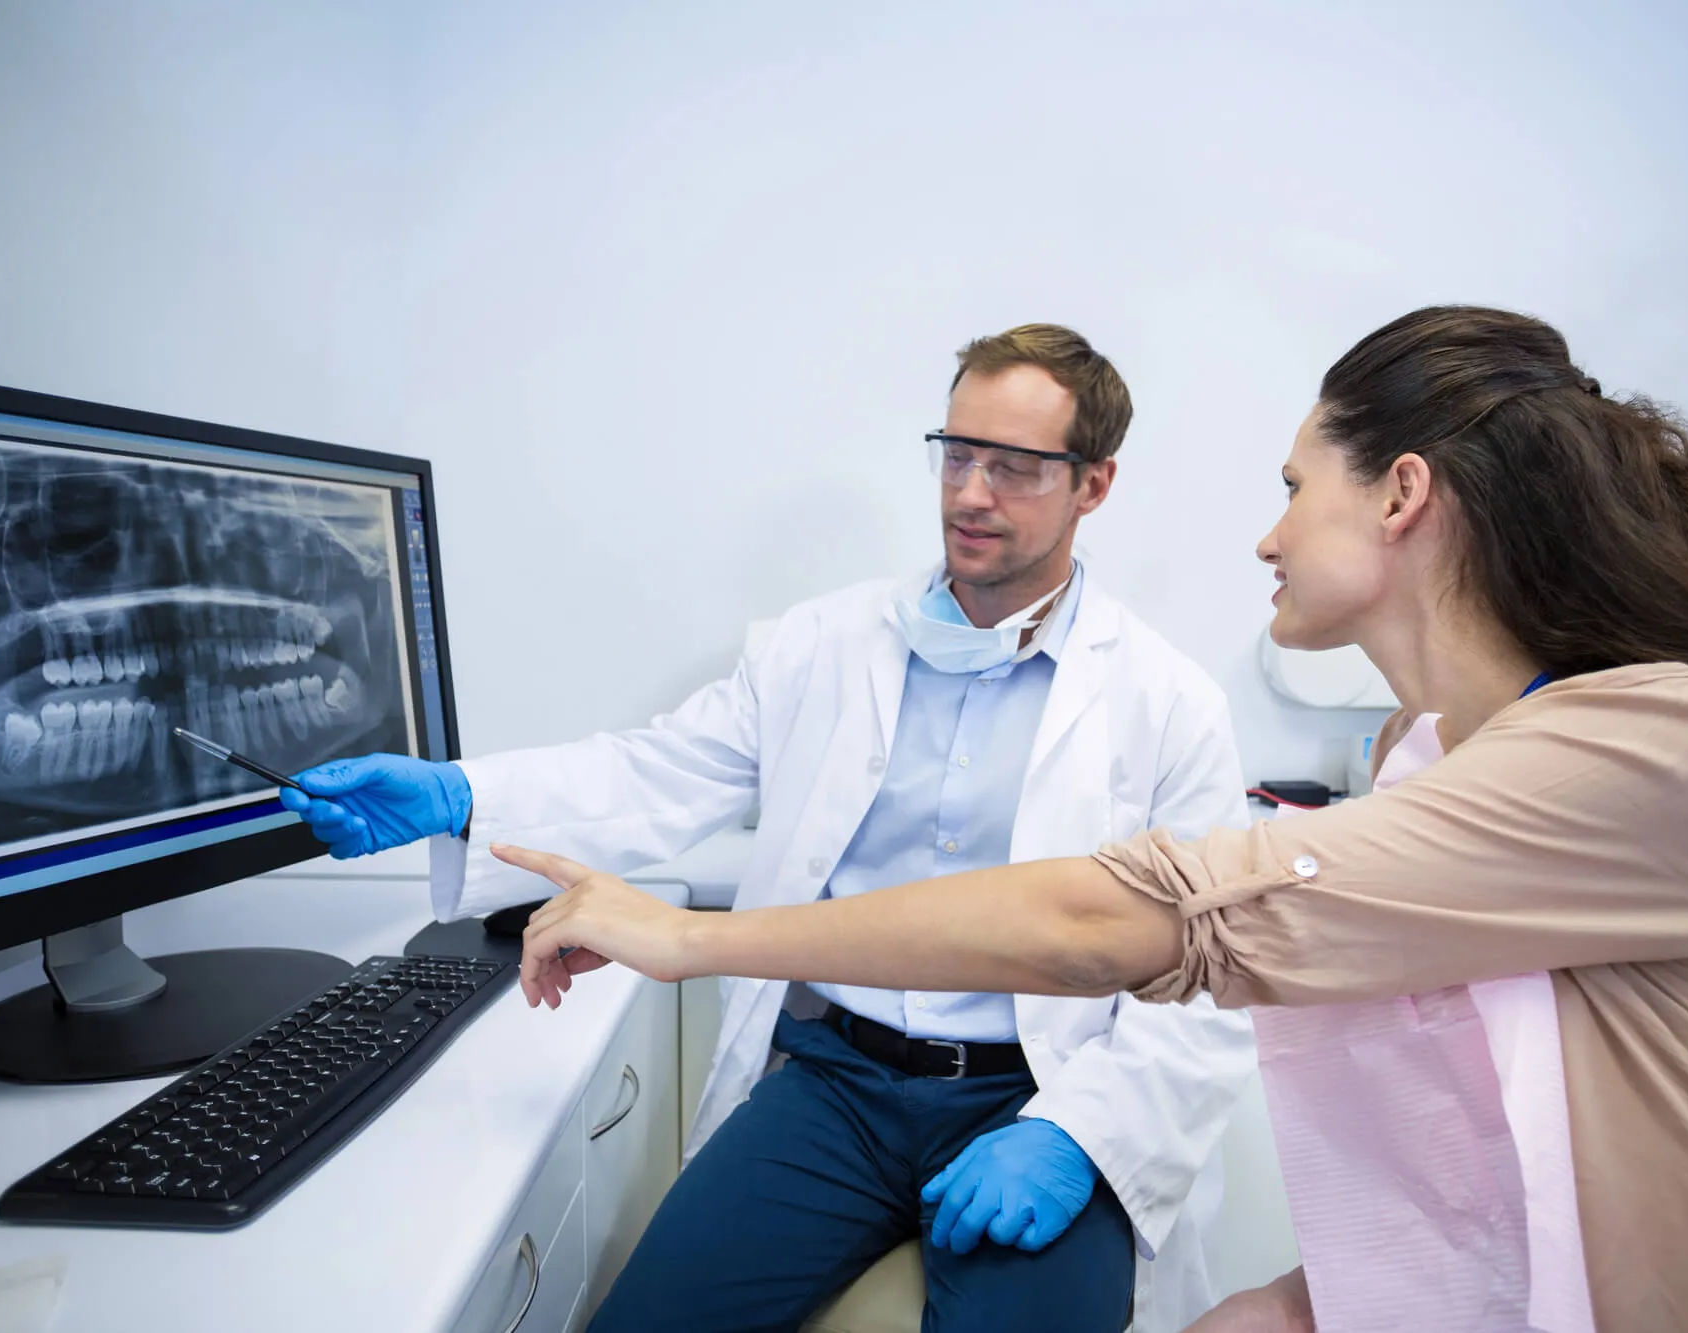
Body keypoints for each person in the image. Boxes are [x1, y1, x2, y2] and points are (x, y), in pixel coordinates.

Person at [493, 307, 1688, 1332]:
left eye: (1295, 489)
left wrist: (690, 936)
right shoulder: (1430, 760)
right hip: (837, 1082)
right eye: (955, 454)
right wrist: (1296, 1309)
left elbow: (1134, 919)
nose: (1269, 535)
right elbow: (1480, 1163)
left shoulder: (1646, 742)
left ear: (1404, 495)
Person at [280, 324, 1260, 1332]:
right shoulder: (822, 646)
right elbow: (657, 769)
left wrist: (1080, 1133)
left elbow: (1210, 970)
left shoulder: (1164, 702)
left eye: (1012, 468)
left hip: (1038, 1092)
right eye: (957, 454)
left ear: (1091, 485)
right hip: (836, 1087)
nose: (970, 493)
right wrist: (459, 793)